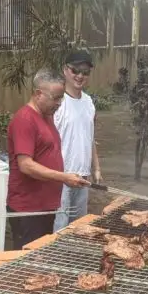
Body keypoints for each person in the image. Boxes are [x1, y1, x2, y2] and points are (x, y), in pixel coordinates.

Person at [7, 68, 89, 248]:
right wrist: (64, 177)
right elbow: (26, 165)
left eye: (61, 98)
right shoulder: (25, 119)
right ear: (38, 94)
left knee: (39, 259)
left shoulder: (46, 116)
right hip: (28, 209)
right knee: (27, 263)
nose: (59, 103)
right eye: (56, 98)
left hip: (45, 206)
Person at [53, 50, 102, 232]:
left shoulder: (89, 102)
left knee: (79, 228)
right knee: (59, 227)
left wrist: (96, 167)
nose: (80, 76)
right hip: (61, 177)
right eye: (75, 70)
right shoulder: (58, 102)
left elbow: (90, 137)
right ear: (65, 70)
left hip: (82, 177)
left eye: (85, 72)